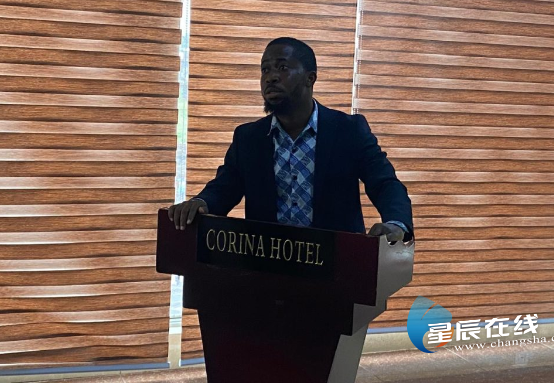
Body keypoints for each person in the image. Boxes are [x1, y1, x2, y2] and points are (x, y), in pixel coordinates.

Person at [168, 37, 413, 244]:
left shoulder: (348, 131)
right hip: (268, 265)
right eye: (265, 70)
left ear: (310, 78)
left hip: (335, 267)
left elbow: (385, 183)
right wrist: (201, 202)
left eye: (282, 67)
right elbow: (224, 188)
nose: (270, 77)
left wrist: (396, 224)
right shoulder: (249, 138)